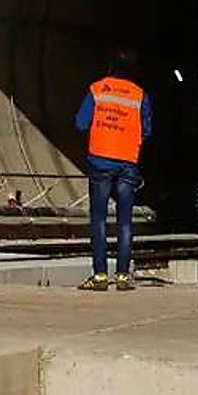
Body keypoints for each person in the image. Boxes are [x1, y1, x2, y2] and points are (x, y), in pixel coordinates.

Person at [74, 48, 152, 291]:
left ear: (110, 67)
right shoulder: (140, 95)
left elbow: (80, 123)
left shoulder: (97, 89)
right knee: (125, 222)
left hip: (100, 162)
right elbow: (147, 130)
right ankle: (122, 276)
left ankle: (99, 276)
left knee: (98, 220)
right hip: (127, 163)